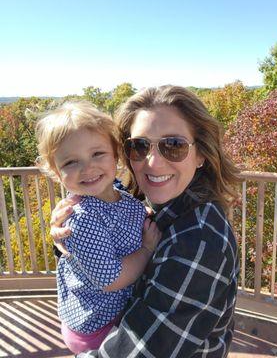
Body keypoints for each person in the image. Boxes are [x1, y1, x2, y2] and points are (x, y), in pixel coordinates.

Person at [50, 86, 240, 358]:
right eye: (139, 146)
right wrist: (66, 238)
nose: (153, 162)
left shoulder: (199, 241)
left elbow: (140, 351)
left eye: (173, 146)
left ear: (201, 155)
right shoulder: (148, 198)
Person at [35, 100, 161, 354]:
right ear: (57, 173)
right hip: (97, 326)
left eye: (97, 154)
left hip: (115, 314)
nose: (87, 167)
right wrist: (147, 249)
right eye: (71, 162)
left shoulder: (118, 194)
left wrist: (143, 215)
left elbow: (127, 216)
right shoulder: (81, 219)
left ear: (115, 154)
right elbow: (112, 279)